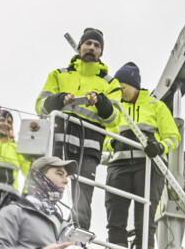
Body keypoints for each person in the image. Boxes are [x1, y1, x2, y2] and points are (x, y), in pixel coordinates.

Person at [36, 28, 121, 233]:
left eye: (97, 45)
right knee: (50, 191)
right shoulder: (58, 75)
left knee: (83, 200)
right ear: (80, 46)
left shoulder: (110, 83)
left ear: (101, 52)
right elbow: (39, 106)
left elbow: (114, 119)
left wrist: (101, 102)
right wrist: (58, 99)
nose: (92, 47)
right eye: (88, 43)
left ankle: (78, 244)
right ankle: (42, 233)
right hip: (60, 142)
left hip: (89, 149)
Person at [102, 62, 180, 249]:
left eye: (122, 86)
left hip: (147, 167)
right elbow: (104, 137)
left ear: (134, 84)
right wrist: (113, 143)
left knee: (143, 222)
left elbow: (174, 137)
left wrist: (160, 146)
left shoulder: (156, 106)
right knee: (114, 220)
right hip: (118, 166)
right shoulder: (115, 106)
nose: (119, 90)